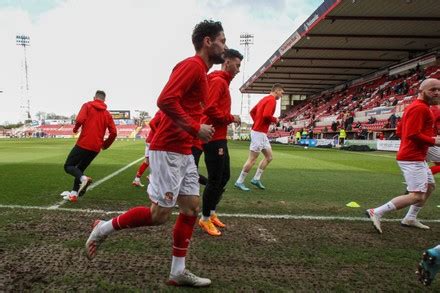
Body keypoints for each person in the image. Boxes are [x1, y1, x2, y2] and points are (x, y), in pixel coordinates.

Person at [84, 20, 226, 287]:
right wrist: (195, 128)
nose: (224, 46)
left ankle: (177, 271)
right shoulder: (192, 65)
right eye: (222, 40)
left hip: (183, 151)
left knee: (191, 208)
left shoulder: (202, 73)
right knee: (158, 215)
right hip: (169, 149)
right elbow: (165, 100)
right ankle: (102, 228)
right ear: (208, 41)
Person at [366, 78, 440, 234]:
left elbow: (400, 131)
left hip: (415, 155)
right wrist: (433, 140)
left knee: (430, 187)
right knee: (417, 196)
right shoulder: (421, 109)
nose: (437, 93)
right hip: (412, 157)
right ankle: (376, 212)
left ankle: (410, 218)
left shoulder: (415, 107)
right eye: (432, 89)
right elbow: (412, 134)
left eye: (438, 90)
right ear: (421, 91)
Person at [198, 48, 242, 236]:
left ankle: (212, 213)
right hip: (213, 137)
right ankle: (205, 218)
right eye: (237, 65)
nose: (239, 69)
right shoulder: (218, 82)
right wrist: (231, 117)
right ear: (227, 62)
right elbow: (209, 108)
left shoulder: (222, 82)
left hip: (219, 137)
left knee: (224, 177)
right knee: (215, 179)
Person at [63, 90, 117, 202]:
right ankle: (73, 194)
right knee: (80, 169)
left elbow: (79, 119)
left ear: (94, 97)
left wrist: (75, 129)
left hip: (83, 143)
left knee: (68, 166)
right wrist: (105, 145)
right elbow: (114, 133)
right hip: (96, 148)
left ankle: (84, 179)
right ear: (104, 100)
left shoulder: (87, 105)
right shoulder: (107, 114)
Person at [234, 83, 284, 191]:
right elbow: (266, 115)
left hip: (260, 132)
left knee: (269, 157)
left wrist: (257, 121)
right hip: (259, 133)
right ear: (276, 91)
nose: (282, 95)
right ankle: (239, 181)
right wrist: (276, 120)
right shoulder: (271, 100)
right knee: (252, 159)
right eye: (281, 92)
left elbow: (252, 111)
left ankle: (256, 179)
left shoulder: (264, 99)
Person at [132, 111, 162, 187]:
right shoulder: (162, 112)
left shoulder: (161, 112)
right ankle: (151, 177)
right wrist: (158, 134)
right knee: (159, 161)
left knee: (147, 161)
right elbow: (152, 123)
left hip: (149, 141)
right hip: (153, 141)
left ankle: (137, 180)